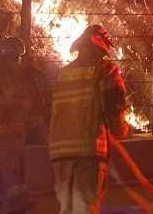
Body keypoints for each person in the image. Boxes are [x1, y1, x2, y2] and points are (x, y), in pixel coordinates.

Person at [48, 24, 129, 214]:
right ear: (100, 47)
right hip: (88, 151)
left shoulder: (63, 74)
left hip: (59, 153)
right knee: (84, 208)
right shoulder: (106, 70)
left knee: (67, 209)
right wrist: (121, 129)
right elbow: (114, 107)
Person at [0, 36, 49, 214]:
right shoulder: (3, 75)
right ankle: (18, 207)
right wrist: (30, 101)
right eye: (19, 57)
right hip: (3, 136)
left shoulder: (2, 73)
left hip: (0, 136)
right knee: (14, 179)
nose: (21, 61)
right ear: (11, 57)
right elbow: (14, 103)